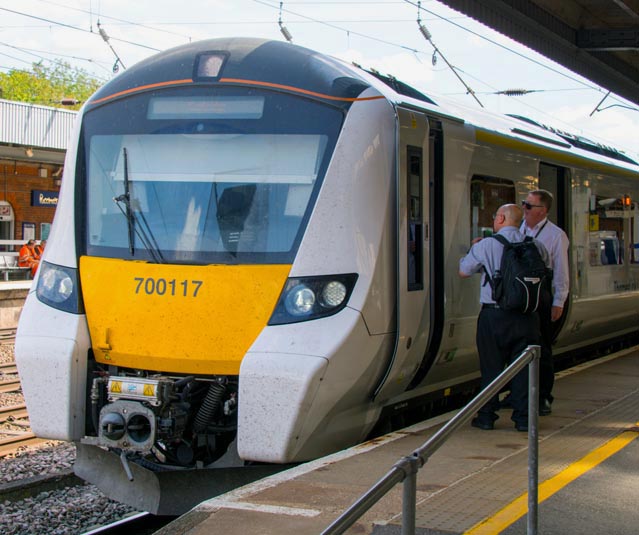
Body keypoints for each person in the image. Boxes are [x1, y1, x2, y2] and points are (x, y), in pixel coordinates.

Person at [459, 204, 549, 432]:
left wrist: (476, 251)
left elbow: (464, 271)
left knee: (491, 368)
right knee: (524, 369)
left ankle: (487, 417)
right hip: (527, 316)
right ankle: (523, 419)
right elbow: (546, 268)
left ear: (500, 218)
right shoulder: (536, 245)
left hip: (494, 315)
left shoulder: (487, 245)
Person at [521, 190, 569, 416]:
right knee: (521, 344)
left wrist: (559, 301)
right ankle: (519, 393)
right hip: (521, 294)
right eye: (524, 205)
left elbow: (561, 271)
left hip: (542, 294)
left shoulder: (555, 235)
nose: (524, 209)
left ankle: (543, 396)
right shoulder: (518, 230)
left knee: (543, 347)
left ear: (543, 211)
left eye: (529, 206)